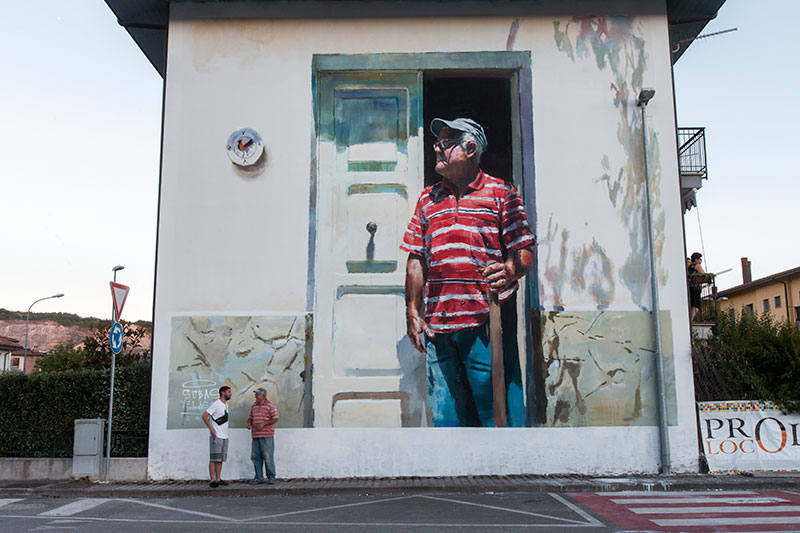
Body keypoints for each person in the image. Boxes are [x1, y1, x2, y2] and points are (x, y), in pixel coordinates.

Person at [401, 117, 535, 427]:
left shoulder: (502, 193)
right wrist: (412, 311)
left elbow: (524, 250)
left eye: (445, 144)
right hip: (438, 326)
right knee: (446, 418)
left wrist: (510, 270)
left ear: (471, 148)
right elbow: (416, 258)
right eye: (436, 143)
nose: (437, 149)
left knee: (495, 414)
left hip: (486, 322)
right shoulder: (428, 198)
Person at [246, 387, 279, 484]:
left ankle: (271, 477)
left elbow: (275, 418)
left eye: (258, 394)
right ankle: (258, 477)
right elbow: (250, 417)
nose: (256, 396)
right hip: (255, 435)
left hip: (267, 436)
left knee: (268, 457)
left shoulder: (270, 405)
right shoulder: (254, 406)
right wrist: (249, 423)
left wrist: (264, 423)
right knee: (256, 457)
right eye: (256, 394)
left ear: (264, 396)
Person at [202, 385, 231, 488]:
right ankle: (212, 479)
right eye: (228, 392)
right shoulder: (216, 404)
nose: (230, 394)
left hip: (224, 435)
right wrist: (211, 429)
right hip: (217, 435)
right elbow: (205, 416)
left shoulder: (225, 405)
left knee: (220, 458)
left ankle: (218, 478)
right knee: (214, 458)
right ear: (223, 393)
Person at [688, 252, 705, 321]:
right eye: (700, 259)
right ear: (696, 259)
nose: (701, 260)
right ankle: (691, 319)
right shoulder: (697, 266)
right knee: (696, 306)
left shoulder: (689, 267)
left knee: (692, 305)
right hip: (696, 288)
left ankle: (690, 319)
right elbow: (703, 274)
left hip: (690, 288)